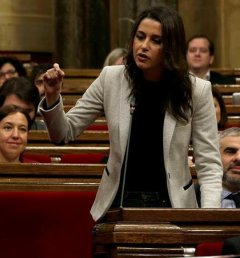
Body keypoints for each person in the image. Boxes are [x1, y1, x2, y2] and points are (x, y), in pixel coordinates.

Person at [39, 6, 223, 221]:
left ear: (171, 47)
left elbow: (208, 164)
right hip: (119, 202)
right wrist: (52, 97)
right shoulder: (111, 79)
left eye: (156, 40)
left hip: (173, 206)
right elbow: (63, 132)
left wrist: (210, 217)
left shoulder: (196, 91)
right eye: (140, 37)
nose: (143, 46)